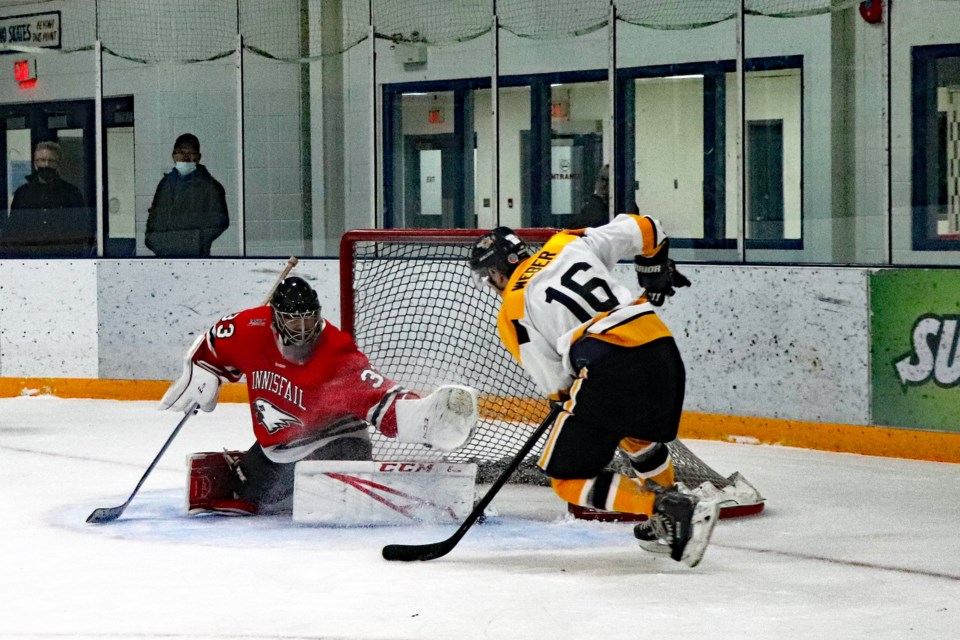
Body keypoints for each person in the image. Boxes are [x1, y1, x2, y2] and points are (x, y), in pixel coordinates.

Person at [468, 215, 719, 567]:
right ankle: (668, 513)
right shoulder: (565, 243)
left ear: (495, 273)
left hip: (608, 364)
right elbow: (648, 228)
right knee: (638, 440)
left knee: (567, 479)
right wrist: (654, 270)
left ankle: (665, 506)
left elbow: (557, 385)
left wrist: (568, 408)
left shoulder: (512, 308)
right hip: (661, 351)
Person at [159, 276, 478, 516]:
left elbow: (382, 400)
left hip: (337, 443)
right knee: (251, 495)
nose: (302, 327)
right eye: (293, 319)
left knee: (310, 500)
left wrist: (424, 418)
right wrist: (201, 370)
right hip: (279, 448)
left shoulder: (335, 353)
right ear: (275, 318)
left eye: (309, 318)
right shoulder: (248, 328)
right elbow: (212, 344)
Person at [0, 141, 94, 257]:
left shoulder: (71, 192)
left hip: (64, 259)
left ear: (58, 164)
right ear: (35, 163)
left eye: (51, 161)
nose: (46, 165)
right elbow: (13, 229)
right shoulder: (22, 193)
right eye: (42, 160)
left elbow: (82, 228)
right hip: (27, 259)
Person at [145, 133, 229, 257]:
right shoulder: (164, 184)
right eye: (181, 152)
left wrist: (193, 242)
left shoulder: (211, 187)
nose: (185, 158)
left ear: (198, 157)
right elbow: (154, 219)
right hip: (163, 258)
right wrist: (154, 243)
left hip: (195, 259)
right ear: (174, 156)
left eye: (191, 153)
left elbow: (220, 221)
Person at [569, 164, 639, 229]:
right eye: (602, 179)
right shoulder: (591, 203)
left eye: (609, 180)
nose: (604, 184)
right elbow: (576, 227)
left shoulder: (626, 206)